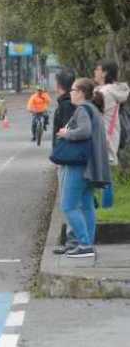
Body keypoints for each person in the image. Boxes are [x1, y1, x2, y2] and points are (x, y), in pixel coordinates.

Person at [56, 78, 111, 258]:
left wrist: (66, 133)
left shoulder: (82, 109)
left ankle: (84, 244)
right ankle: (87, 243)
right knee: (87, 205)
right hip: (91, 165)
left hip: (79, 164)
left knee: (68, 205)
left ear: (80, 92)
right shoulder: (93, 109)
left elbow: (84, 132)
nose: (70, 93)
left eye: (72, 90)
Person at [51, 71, 78, 255]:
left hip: (68, 161)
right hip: (67, 159)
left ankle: (73, 240)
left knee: (69, 202)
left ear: (59, 86)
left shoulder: (67, 106)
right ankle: (74, 239)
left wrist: (60, 157)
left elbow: (68, 132)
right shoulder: (66, 104)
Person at [94, 60, 130, 166]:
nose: (94, 72)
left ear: (104, 73)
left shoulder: (105, 93)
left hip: (103, 144)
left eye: (97, 69)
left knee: (102, 180)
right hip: (110, 141)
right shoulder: (113, 90)